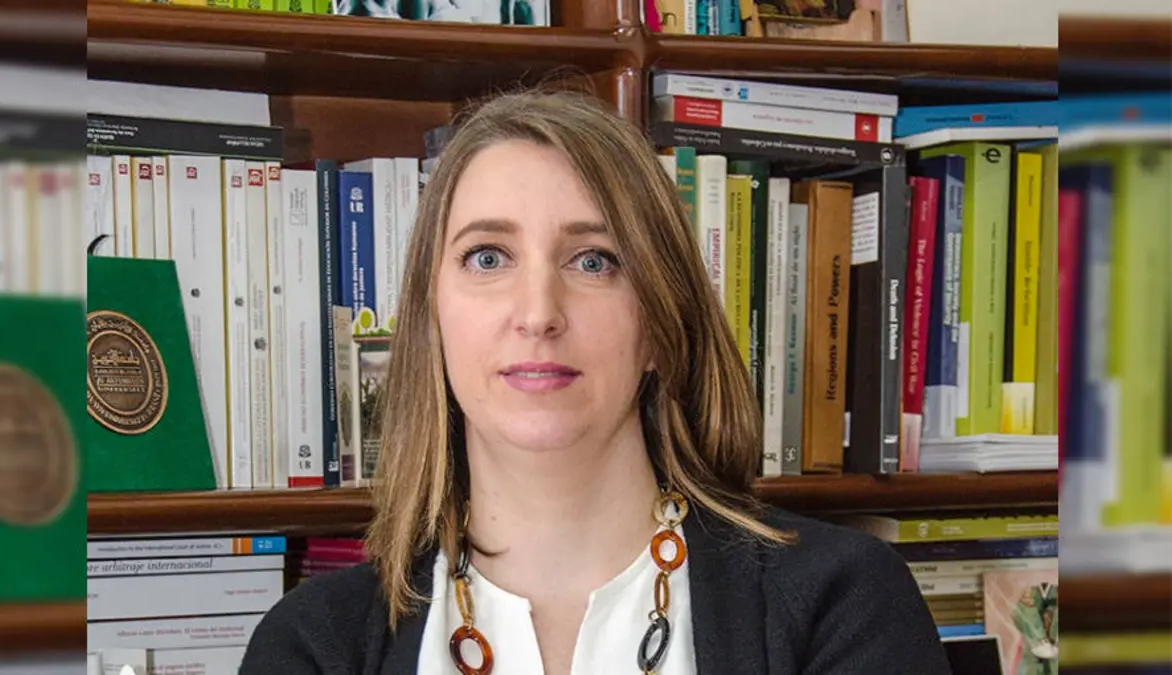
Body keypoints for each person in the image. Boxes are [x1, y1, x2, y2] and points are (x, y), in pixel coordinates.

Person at [238, 88, 952, 675]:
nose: (538, 313)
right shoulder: (313, 646)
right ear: (432, 318)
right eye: (487, 257)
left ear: (660, 321)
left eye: (594, 261)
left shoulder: (844, 605)